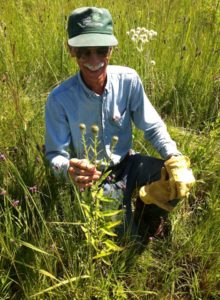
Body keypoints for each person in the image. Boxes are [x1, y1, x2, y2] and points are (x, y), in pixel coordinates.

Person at [45, 7, 195, 240]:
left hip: (129, 162)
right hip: (95, 176)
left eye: (101, 50)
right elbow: (55, 154)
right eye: (84, 51)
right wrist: (69, 170)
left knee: (177, 182)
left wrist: (173, 157)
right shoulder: (59, 99)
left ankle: (148, 212)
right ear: (71, 50)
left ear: (111, 49)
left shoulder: (128, 80)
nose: (94, 60)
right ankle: (128, 224)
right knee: (126, 243)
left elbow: (152, 126)